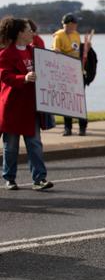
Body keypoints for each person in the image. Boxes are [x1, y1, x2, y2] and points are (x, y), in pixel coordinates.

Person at [0, 17, 53, 190]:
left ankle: (39, 179)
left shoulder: (35, 51)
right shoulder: (6, 54)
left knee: (35, 144)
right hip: (13, 107)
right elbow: (5, 76)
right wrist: (23, 78)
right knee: (11, 147)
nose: (33, 33)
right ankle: (9, 178)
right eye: (29, 30)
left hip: (31, 107)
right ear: (20, 33)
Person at [53, 13, 87, 136]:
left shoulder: (76, 35)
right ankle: (68, 128)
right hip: (65, 73)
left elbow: (78, 50)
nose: (75, 26)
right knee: (66, 101)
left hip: (77, 72)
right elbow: (55, 51)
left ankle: (82, 127)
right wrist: (56, 52)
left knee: (80, 100)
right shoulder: (58, 36)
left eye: (76, 24)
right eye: (74, 24)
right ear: (68, 24)